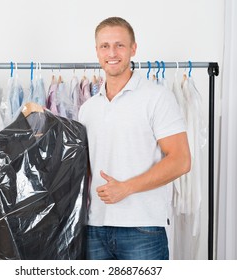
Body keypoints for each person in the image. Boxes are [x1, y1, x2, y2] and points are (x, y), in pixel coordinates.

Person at [78, 16, 191, 260]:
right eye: (105, 46)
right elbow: (85, 169)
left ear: (133, 48)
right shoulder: (87, 109)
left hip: (143, 228)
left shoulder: (157, 98)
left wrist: (126, 188)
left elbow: (181, 160)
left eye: (119, 45)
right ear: (97, 51)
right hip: (94, 228)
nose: (112, 53)